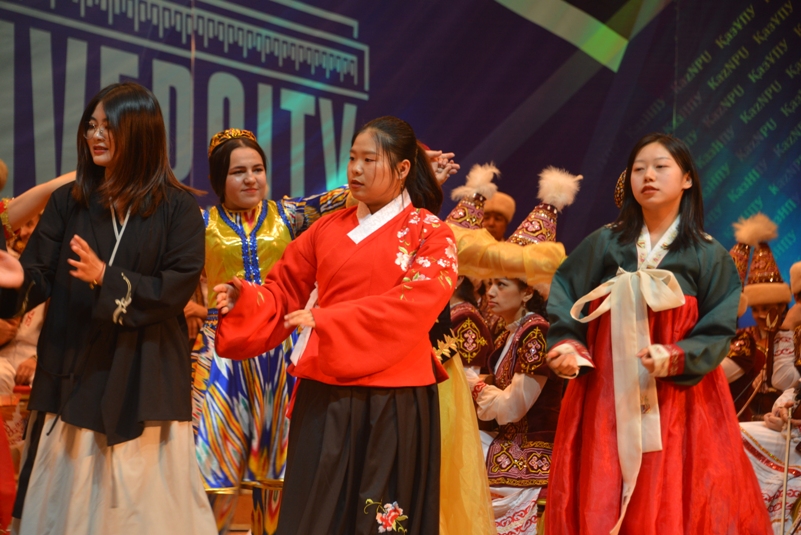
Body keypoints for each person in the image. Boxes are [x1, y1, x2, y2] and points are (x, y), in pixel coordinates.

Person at [213, 116, 457, 534]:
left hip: (393, 398)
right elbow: (284, 289)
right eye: (352, 158)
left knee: (379, 519)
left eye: (369, 160)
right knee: (313, 515)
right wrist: (246, 300)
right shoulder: (326, 228)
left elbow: (414, 305)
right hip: (325, 390)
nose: (355, 170)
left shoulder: (431, 233)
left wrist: (328, 319)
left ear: (403, 168)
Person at [0, 82, 216, 534]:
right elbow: (37, 275)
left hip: (146, 371)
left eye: (108, 127)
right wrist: (14, 283)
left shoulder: (178, 208)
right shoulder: (70, 200)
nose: (95, 136)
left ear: (139, 132)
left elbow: (175, 288)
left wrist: (105, 277)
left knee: (143, 509)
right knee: (66, 504)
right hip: (73, 366)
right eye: (91, 126)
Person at [545, 133, 771, 534]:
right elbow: (566, 290)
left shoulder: (708, 254)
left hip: (681, 398)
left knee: (675, 488)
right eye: (638, 169)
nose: (648, 176)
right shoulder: (604, 243)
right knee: (603, 479)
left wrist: (677, 354)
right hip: (606, 393)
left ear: (687, 179)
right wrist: (568, 343)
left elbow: (719, 326)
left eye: (660, 167)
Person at [192, 128, 351, 535]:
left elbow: (350, 195)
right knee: (214, 467)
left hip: (281, 351)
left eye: (258, 169)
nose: (251, 179)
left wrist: (415, 168)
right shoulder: (199, 223)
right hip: (222, 354)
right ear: (218, 179)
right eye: (238, 172)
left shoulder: (289, 215)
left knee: (278, 471)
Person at [455, 167, 579, 534]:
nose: (490, 292)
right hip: (502, 444)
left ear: (528, 292)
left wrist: (469, 384)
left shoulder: (536, 332)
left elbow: (512, 408)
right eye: (490, 283)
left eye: (502, 285)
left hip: (526, 455)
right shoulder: (511, 331)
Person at [722, 213, 794, 419]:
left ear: (782, 305)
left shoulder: (795, 337)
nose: (761, 315)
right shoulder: (742, 334)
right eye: (756, 309)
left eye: (767, 308)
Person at [741, 387, 801, 534]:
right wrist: (782, 412)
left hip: (796, 443)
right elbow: (793, 394)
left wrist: (795, 427)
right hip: (791, 437)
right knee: (734, 436)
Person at [0, 213, 45, 395]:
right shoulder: (5, 262)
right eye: (23, 225)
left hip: (38, 357)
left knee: (45, 383)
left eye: (31, 224)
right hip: (3, 356)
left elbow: (69, 330)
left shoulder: (56, 270)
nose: (24, 232)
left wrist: (37, 358)